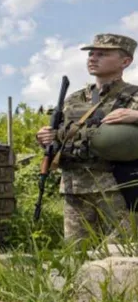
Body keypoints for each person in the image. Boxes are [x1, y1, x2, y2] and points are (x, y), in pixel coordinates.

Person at [36, 34, 138, 241]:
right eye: (91, 53)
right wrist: (47, 138)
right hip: (74, 186)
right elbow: (63, 138)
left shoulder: (134, 95)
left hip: (115, 187)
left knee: (122, 252)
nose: (92, 58)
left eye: (102, 54)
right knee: (76, 254)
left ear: (125, 61)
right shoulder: (74, 98)